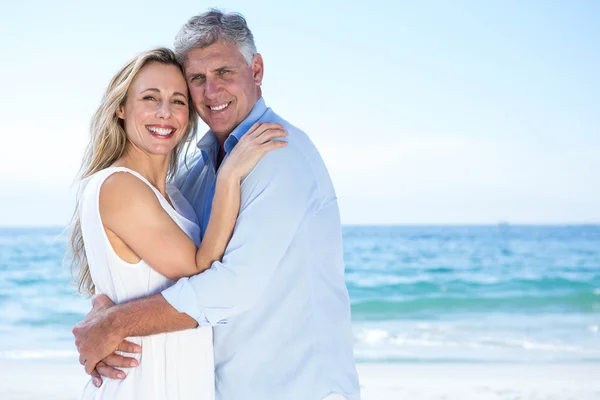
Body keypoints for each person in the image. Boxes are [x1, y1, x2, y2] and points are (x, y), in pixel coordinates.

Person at [73, 9, 361, 400]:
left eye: (224, 72)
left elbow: (233, 286)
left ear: (256, 70)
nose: (211, 91)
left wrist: (115, 323)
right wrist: (105, 314)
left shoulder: (279, 155)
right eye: (196, 79)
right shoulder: (194, 174)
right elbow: (147, 265)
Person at [70, 47, 286, 399]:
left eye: (178, 101)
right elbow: (200, 268)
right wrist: (229, 177)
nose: (164, 113)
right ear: (121, 108)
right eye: (150, 98)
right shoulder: (119, 186)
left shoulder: (174, 195)